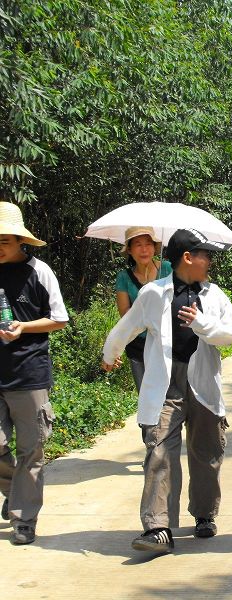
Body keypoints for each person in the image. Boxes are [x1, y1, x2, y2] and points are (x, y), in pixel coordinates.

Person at [102, 228, 232, 554]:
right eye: (205, 255)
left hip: (203, 382)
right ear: (188, 258)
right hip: (167, 384)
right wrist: (110, 353)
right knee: (159, 449)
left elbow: (230, 334)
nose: (210, 262)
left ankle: (205, 514)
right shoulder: (153, 293)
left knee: (206, 452)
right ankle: (158, 527)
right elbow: (126, 326)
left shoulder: (214, 295)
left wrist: (201, 324)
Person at [0, 201, 69, 545]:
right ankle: (15, 491)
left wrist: (23, 328)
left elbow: (59, 318)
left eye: (3, 242)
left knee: (31, 450)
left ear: (20, 241)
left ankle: (24, 519)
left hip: (28, 374)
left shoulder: (39, 271)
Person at [114, 226, 172, 391]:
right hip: (138, 346)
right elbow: (125, 314)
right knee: (147, 395)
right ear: (130, 250)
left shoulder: (168, 269)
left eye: (148, 243)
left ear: (155, 247)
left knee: (170, 397)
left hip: (166, 342)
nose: (144, 249)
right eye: (138, 244)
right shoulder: (124, 277)